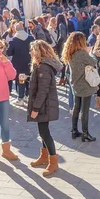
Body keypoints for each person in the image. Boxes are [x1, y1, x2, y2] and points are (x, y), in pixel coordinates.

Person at [27, 40, 63, 177]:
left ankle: (53, 161)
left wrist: (35, 108)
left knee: (44, 132)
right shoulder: (41, 66)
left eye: (32, 50)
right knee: (42, 131)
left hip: (44, 105)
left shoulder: (43, 67)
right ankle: (44, 156)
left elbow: (43, 90)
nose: (30, 52)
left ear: (37, 51)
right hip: (44, 104)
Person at [62, 32, 98, 142]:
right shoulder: (82, 53)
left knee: (76, 108)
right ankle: (85, 133)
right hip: (85, 84)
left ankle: (74, 130)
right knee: (85, 110)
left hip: (75, 84)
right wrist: (91, 53)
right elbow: (93, 62)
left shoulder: (69, 52)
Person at [7, 23, 34, 107]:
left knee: (21, 81)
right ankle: (28, 96)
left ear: (15, 30)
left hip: (18, 64)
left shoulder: (13, 40)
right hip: (30, 62)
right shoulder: (31, 38)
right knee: (29, 80)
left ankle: (20, 98)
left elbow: (9, 52)